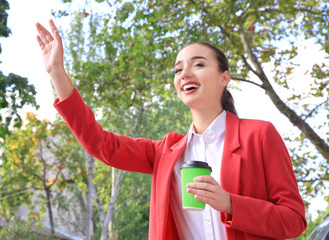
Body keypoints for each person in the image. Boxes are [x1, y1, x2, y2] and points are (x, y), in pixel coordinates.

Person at [35, 19, 307, 240]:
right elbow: (101, 144)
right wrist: (57, 72)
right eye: (178, 70)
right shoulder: (165, 153)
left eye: (198, 64)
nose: (185, 73)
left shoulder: (259, 135)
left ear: (225, 77)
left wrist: (231, 204)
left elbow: (294, 220)